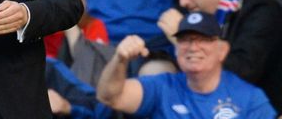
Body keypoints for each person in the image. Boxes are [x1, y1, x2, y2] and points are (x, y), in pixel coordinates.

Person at [158, 0, 282, 110]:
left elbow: (242, 73)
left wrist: (183, 41)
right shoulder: (191, 12)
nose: (183, 1)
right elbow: (156, 46)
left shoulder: (262, 11)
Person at [97, 11, 277, 118]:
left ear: (222, 50)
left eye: (203, 39)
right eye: (185, 40)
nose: (193, 47)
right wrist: (119, 60)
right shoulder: (162, 87)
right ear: (175, 49)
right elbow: (110, 97)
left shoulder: (249, 97)